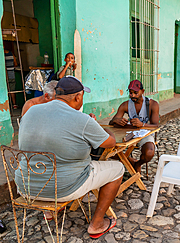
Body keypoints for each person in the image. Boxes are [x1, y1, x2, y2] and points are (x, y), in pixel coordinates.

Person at [16, 76, 124, 238]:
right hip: (63, 188)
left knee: (54, 161)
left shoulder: (31, 111)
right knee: (118, 168)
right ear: (78, 97)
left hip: (25, 187)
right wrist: (101, 128)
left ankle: (50, 212)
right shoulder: (82, 119)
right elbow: (110, 143)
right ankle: (97, 224)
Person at [110, 80, 159, 172]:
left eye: (136, 93)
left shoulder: (152, 104)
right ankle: (130, 161)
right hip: (129, 134)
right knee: (108, 149)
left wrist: (142, 124)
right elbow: (111, 123)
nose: (132, 95)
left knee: (149, 153)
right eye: (131, 93)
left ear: (142, 91)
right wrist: (116, 121)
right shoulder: (125, 105)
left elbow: (156, 126)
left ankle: (138, 163)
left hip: (145, 134)